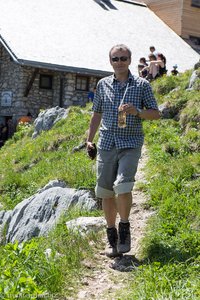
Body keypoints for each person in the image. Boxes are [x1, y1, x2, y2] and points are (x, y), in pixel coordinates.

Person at [86, 44, 160, 257]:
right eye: (115, 59)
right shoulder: (103, 84)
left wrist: (137, 112)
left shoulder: (142, 85)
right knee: (105, 192)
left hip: (131, 143)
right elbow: (96, 113)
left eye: (123, 58)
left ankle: (125, 228)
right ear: (110, 61)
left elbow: (155, 114)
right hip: (107, 143)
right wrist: (89, 140)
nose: (119, 62)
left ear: (130, 60)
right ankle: (112, 238)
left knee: (123, 186)